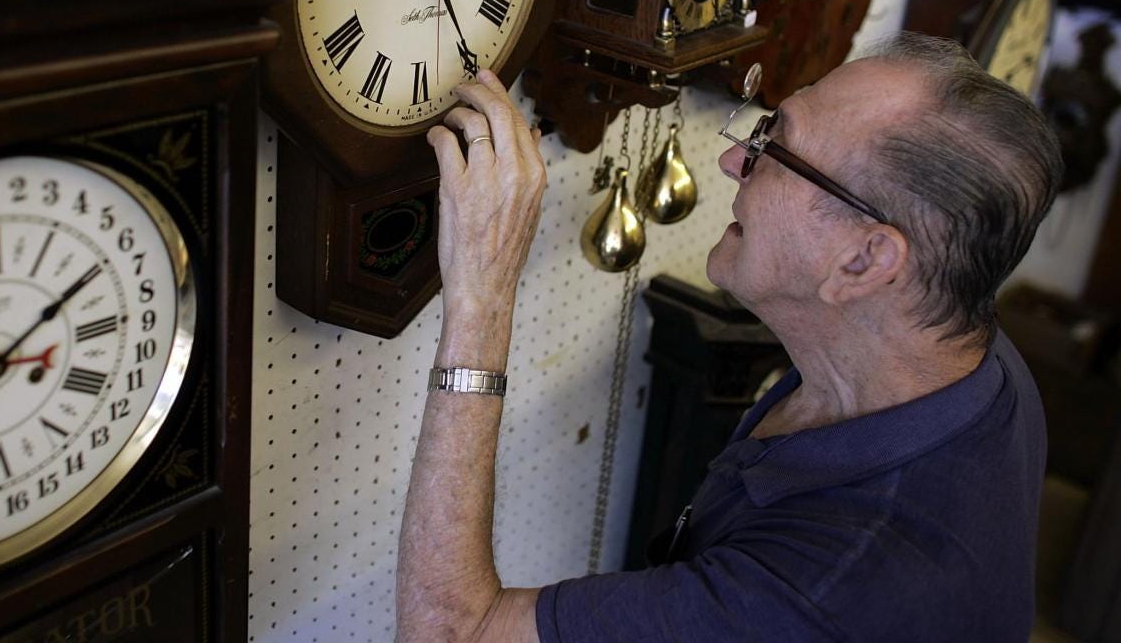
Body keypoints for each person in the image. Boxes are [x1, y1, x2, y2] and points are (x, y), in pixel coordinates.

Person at [396, 32, 1063, 642]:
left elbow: (450, 632)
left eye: (776, 144)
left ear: (862, 262)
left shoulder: (819, 593)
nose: (733, 158)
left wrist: (484, 293)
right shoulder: (967, 357)